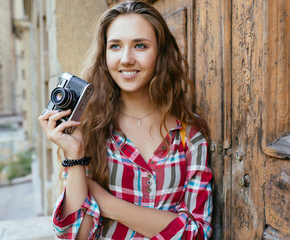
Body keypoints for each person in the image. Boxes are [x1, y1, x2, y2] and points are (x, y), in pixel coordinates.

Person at [38, 1, 213, 239]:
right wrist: (75, 153)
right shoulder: (91, 130)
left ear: (160, 52)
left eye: (140, 45)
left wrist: (109, 205)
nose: (126, 59)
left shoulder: (189, 135)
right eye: (115, 46)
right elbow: (75, 235)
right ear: (104, 54)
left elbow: (197, 232)